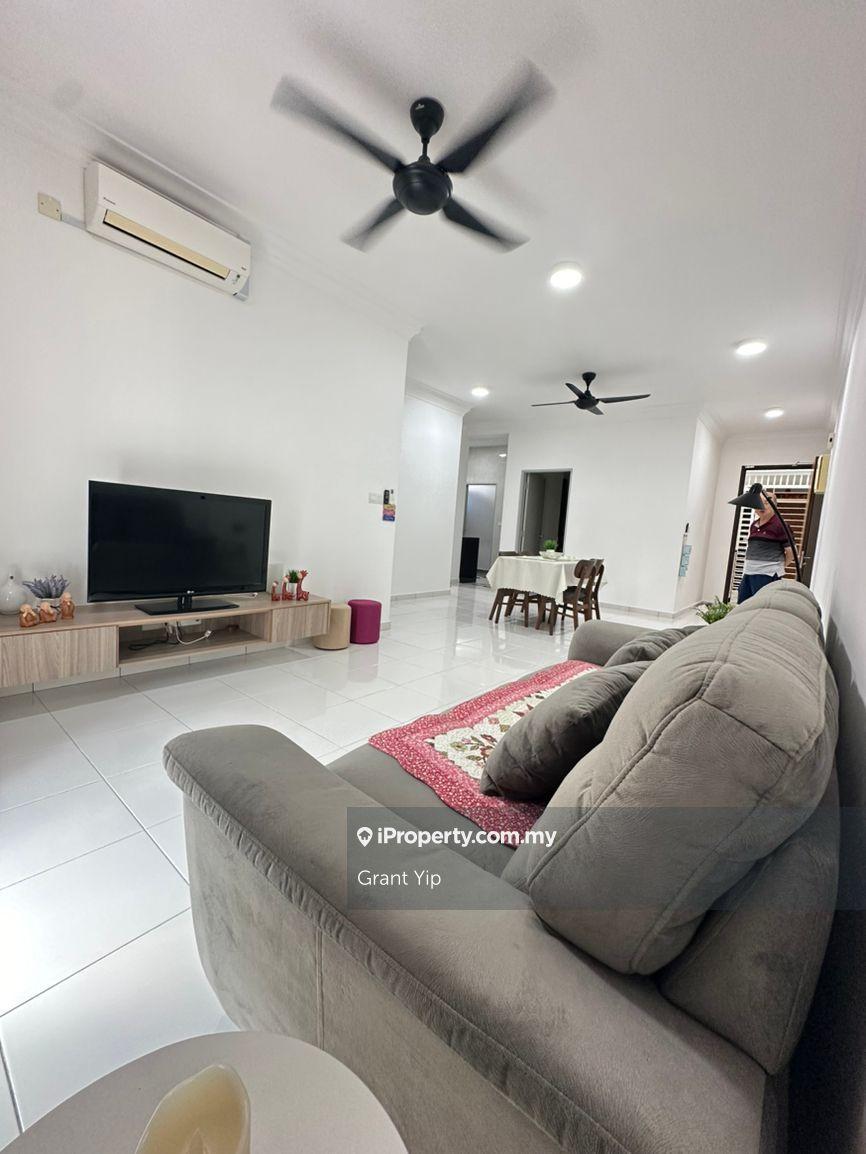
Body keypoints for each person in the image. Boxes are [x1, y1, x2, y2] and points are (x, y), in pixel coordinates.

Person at [737, 489, 795, 603]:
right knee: (743, 604)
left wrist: (778, 566)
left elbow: (791, 552)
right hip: (749, 571)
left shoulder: (780, 525)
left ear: (774, 506)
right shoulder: (754, 525)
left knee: (760, 605)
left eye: (766, 503)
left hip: (767, 574)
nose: (762, 506)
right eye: (759, 503)